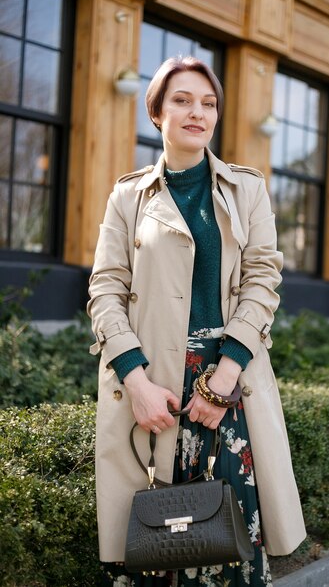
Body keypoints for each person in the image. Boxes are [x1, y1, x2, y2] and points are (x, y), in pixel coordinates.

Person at [88, 55, 306, 587]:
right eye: (182, 101)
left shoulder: (246, 189)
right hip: (153, 391)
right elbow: (104, 291)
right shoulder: (128, 196)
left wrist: (224, 377)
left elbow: (262, 281)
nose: (197, 113)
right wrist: (135, 380)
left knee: (227, 542)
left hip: (229, 388)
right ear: (157, 113)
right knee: (156, 547)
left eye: (208, 104)